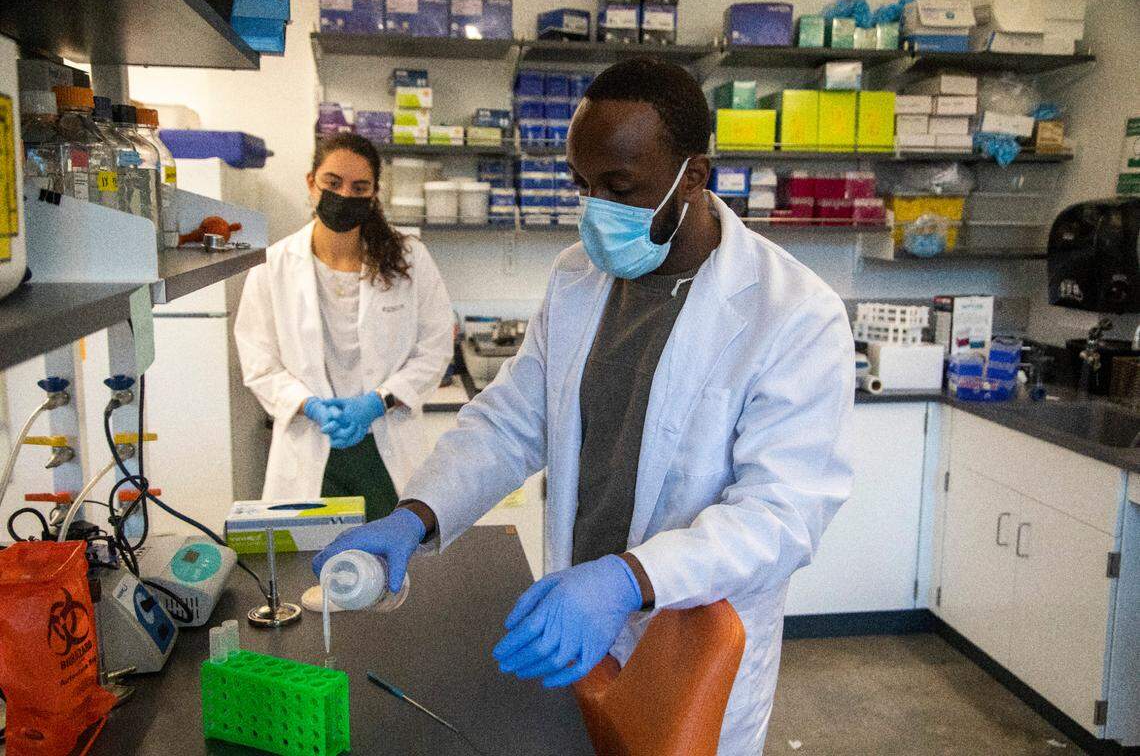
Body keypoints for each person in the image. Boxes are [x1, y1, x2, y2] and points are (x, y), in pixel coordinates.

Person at [314, 60, 854, 752]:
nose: (594, 207)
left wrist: (629, 580)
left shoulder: (792, 312)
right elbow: (512, 420)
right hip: (579, 624)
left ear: (694, 174)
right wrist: (416, 516)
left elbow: (784, 515)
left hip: (691, 640)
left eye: (619, 187)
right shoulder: (578, 277)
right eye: (583, 184)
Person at [235, 133, 453, 521]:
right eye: (333, 183)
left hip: (386, 447)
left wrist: (377, 401)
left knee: (395, 567)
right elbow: (259, 362)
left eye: (359, 187)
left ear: (373, 195)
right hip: (310, 445)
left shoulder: (410, 260)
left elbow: (434, 349)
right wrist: (310, 405)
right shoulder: (272, 266)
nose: (344, 195)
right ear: (310, 183)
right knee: (308, 572)